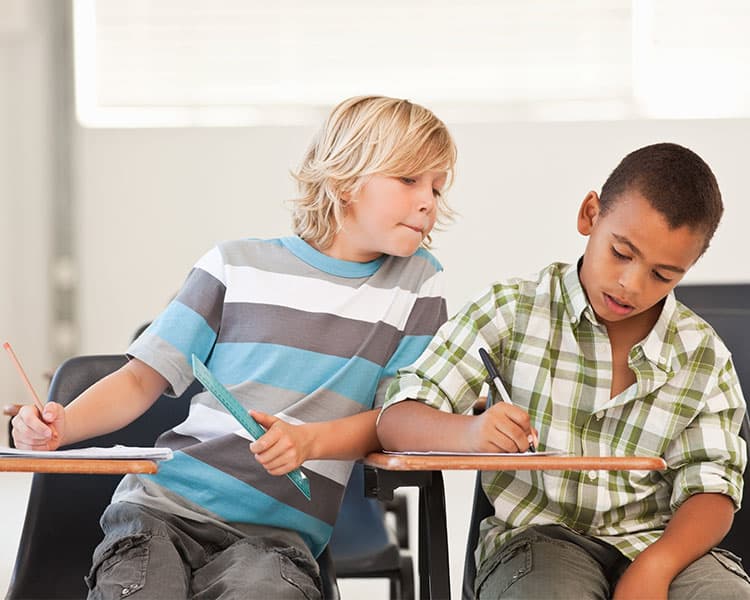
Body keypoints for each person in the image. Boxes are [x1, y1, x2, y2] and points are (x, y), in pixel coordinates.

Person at [12, 95, 457, 599]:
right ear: (343, 179)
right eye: (409, 180)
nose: (429, 202)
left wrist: (309, 442)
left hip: (280, 541)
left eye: (438, 189)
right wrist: (62, 425)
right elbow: (140, 379)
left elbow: (396, 418)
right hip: (161, 513)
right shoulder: (234, 266)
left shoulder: (418, 286)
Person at [377, 142, 750, 599]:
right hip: (538, 547)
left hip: (662, 545)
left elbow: (713, 487)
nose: (631, 285)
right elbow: (396, 419)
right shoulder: (511, 311)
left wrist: (656, 566)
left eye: (662, 274)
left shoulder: (702, 353)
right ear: (590, 215)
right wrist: (469, 434)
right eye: (621, 253)